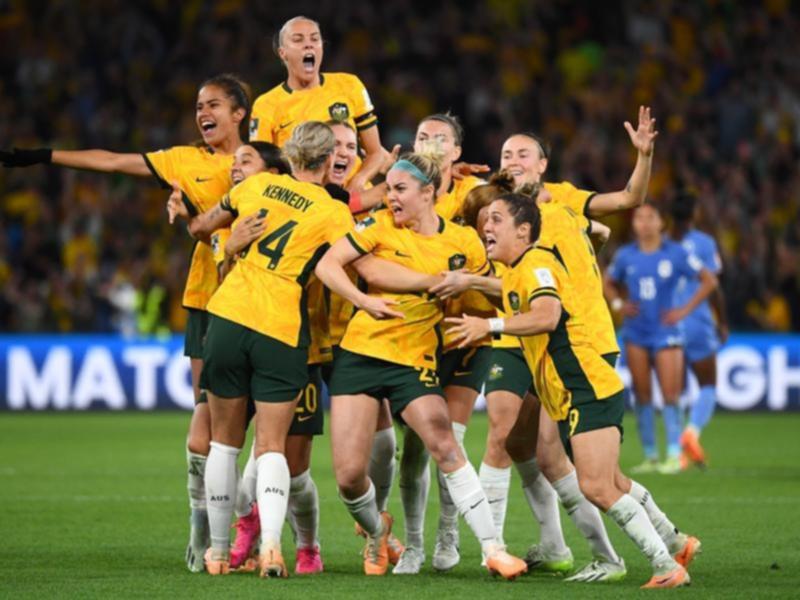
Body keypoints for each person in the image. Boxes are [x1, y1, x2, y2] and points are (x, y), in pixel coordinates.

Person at [0, 74, 251, 573]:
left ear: (240, 113)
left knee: (268, 434)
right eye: (198, 104)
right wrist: (43, 157)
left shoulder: (265, 160)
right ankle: (203, 526)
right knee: (205, 429)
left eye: (214, 104)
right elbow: (113, 160)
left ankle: (266, 533)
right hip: (209, 303)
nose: (203, 112)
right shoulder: (184, 161)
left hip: (272, 306)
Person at [447, 192, 695, 589]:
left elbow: (547, 315)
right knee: (608, 481)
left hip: (586, 385)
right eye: (485, 220)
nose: (486, 227)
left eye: (496, 219)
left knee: (596, 484)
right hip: (572, 391)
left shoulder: (537, 264)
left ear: (523, 230)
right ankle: (672, 547)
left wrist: (489, 327)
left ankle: (665, 565)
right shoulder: (514, 270)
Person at [314, 153, 527, 579]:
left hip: (415, 360)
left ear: (428, 193)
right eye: (388, 188)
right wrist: (363, 300)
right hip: (360, 353)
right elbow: (326, 265)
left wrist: (473, 286)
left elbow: (506, 290)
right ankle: (377, 531)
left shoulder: (463, 242)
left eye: (399, 189)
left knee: (444, 443)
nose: (389, 197)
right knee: (350, 477)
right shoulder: (375, 226)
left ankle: (493, 549)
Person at [170, 121, 353, 577]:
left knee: (223, 445)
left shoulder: (257, 187)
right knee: (272, 446)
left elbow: (201, 227)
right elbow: (357, 264)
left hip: (228, 317)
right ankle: (271, 546)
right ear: (329, 161)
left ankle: (215, 552)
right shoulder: (333, 212)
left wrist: (220, 240)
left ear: (288, 157)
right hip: (279, 324)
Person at [395, 112, 490, 574]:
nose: (429, 143)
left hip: (465, 336)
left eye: (440, 138)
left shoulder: (477, 200)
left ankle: (447, 534)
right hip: (413, 340)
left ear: (456, 153)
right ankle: (412, 543)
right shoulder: (401, 196)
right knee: (413, 447)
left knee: (450, 439)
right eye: (421, 136)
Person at [605, 203, 718, 474]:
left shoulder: (676, 253)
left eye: (650, 217)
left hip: (667, 333)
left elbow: (709, 280)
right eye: (639, 218)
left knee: (670, 395)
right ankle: (651, 456)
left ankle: (674, 455)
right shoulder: (625, 255)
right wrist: (619, 304)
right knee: (642, 396)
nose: (643, 223)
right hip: (635, 332)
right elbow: (606, 281)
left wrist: (684, 310)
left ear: (661, 223)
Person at [250, 16, 385, 191]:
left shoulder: (349, 85)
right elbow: (260, 169)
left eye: (314, 38)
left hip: (354, 198)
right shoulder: (266, 104)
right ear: (283, 53)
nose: (309, 44)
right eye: (298, 39)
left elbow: (375, 152)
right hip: (302, 203)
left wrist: (357, 182)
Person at [670, 190, 728, 469]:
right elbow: (713, 286)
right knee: (708, 385)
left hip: (669, 323)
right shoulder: (705, 243)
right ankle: (691, 434)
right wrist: (723, 320)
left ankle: (678, 453)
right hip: (699, 322)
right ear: (694, 214)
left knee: (676, 390)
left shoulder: (662, 244)